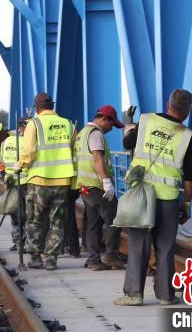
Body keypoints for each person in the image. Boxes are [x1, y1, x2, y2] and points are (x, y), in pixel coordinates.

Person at [114, 89, 192, 306]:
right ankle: (165, 296)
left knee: (137, 246)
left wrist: (129, 124)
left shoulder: (147, 121)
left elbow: (127, 143)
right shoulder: (187, 135)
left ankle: (133, 294)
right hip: (168, 200)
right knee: (166, 248)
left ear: (169, 103)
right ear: (187, 109)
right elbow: (190, 176)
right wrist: (187, 203)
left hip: (141, 196)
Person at [17, 93, 75, 271]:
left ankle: (35, 257)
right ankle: (51, 259)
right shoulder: (68, 124)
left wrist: (20, 165)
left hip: (39, 180)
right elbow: (73, 150)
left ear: (37, 108)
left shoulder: (34, 124)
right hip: (62, 181)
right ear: (52, 106)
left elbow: (29, 151)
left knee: (35, 220)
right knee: (57, 222)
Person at [74, 106, 125, 271]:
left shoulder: (83, 133)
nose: (111, 129)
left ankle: (94, 259)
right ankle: (111, 255)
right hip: (96, 185)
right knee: (115, 218)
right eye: (112, 124)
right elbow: (97, 157)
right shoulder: (96, 134)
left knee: (93, 223)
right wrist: (106, 181)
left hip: (84, 185)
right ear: (105, 119)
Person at [0, 119, 28, 251]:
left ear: (1, 133)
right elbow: (2, 168)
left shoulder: (19, 138)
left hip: (26, 181)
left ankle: (28, 242)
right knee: (14, 211)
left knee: (27, 213)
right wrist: (6, 182)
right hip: (12, 183)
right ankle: (17, 241)